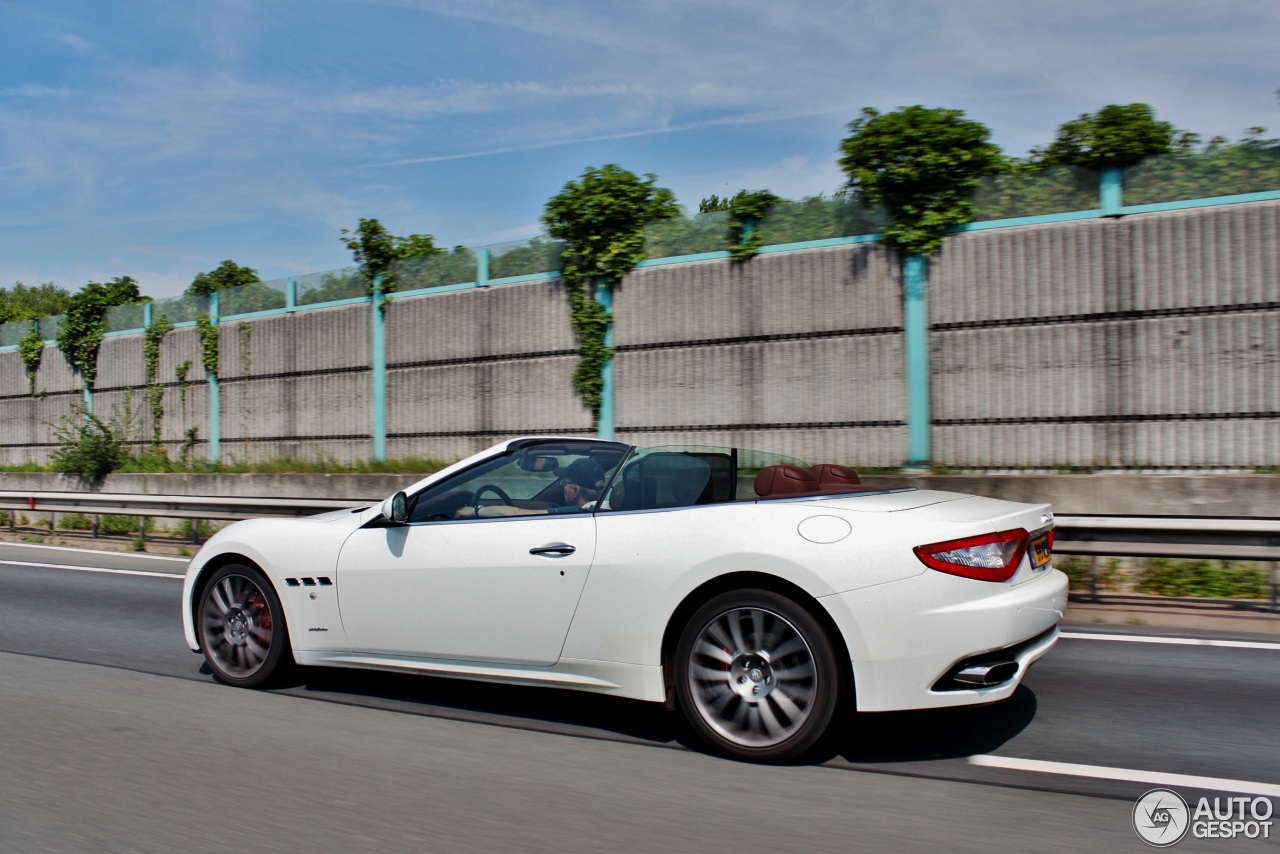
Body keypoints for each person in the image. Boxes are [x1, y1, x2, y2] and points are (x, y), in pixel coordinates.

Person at [458, 458, 607, 518]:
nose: (562, 487)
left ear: (575, 490)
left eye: (564, 483)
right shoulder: (606, 508)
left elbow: (512, 513)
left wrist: (472, 511)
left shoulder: (577, 512)